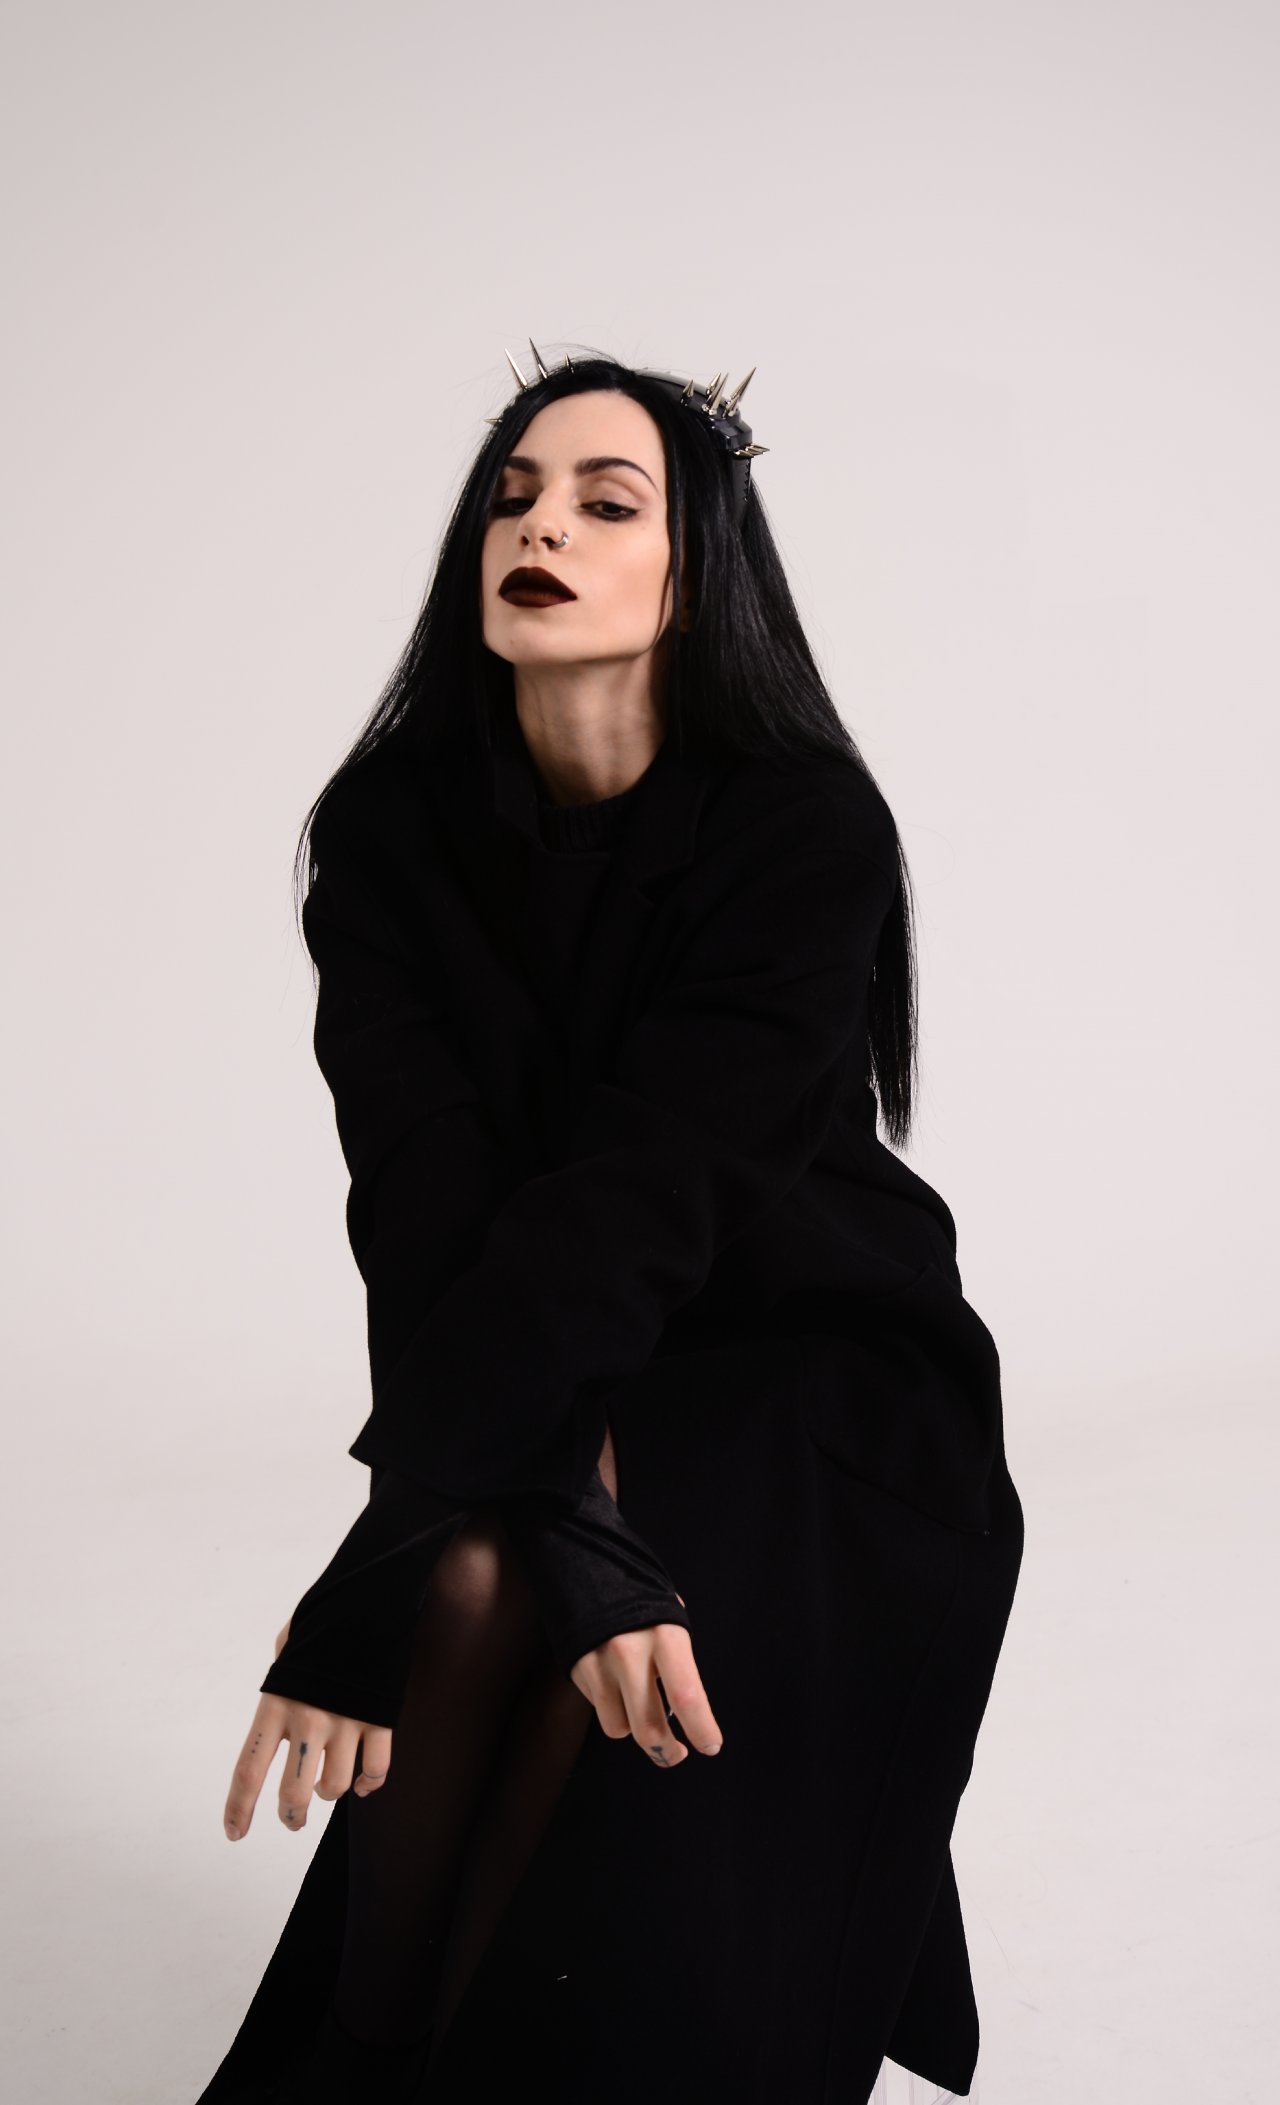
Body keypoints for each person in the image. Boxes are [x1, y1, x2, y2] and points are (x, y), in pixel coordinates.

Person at [194, 345, 1026, 2105]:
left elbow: (653, 1199)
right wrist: (505, 1524)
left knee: (502, 1565)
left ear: (696, 574)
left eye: (604, 499)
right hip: (528, 1334)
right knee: (479, 1569)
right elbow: (420, 1213)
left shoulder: (803, 826)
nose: (541, 527)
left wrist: (406, 1546)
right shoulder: (387, 833)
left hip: (813, 1364)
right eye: (510, 497)